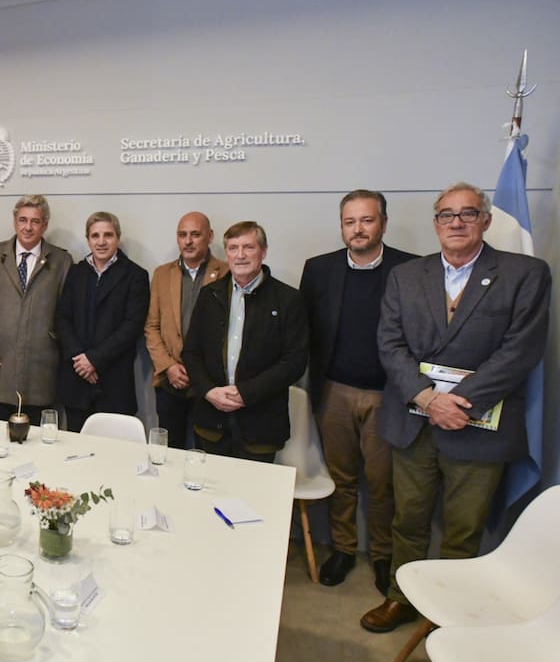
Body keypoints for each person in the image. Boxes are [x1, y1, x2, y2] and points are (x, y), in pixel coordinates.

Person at [361, 182, 551, 633]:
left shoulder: (524, 274)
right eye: (446, 214)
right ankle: (402, 597)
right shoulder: (407, 276)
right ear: (436, 223)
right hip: (415, 421)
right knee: (409, 518)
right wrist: (429, 399)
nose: (457, 223)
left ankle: (447, 614)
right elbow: (390, 344)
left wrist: (459, 404)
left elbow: (520, 351)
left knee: (464, 527)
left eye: (468, 213)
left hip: (477, 422)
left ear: (486, 220)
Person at [300, 190, 417, 592]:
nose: (358, 229)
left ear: (383, 223)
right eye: (350, 222)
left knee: (383, 483)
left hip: (389, 396)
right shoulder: (319, 269)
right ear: (342, 227)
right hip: (334, 391)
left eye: (367, 220)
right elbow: (306, 330)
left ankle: (383, 556)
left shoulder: (411, 269)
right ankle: (344, 549)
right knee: (342, 479)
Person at [182, 221, 308, 462]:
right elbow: (191, 352)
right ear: (226, 253)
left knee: (254, 487)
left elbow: (294, 362)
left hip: (261, 425)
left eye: (248, 247)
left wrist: (246, 393)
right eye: (233, 248)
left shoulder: (288, 300)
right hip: (211, 420)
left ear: (264, 251)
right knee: (209, 485)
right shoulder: (210, 295)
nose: (240, 255)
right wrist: (208, 391)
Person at [0, 194, 73, 425]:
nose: (28, 227)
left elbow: (66, 313)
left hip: (41, 367)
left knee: (38, 438)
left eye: (35, 221)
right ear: (14, 221)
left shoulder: (61, 260)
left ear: (44, 225)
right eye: (23, 220)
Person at [55, 211, 149, 432]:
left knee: (113, 450)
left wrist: (94, 359)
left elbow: (132, 326)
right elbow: (62, 318)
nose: (101, 241)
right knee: (75, 447)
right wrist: (81, 359)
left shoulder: (135, 275)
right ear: (88, 239)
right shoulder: (76, 272)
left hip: (114, 382)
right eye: (95, 235)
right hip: (77, 379)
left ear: (118, 238)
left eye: (108, 235)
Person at [144, 212, 229, 448]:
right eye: (182, 235)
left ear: (209, 236)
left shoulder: (227, 273)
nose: (188, 241)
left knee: (207, 452)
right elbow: (152, 326)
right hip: (170, 382)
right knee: (170, 451)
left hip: (210, 383)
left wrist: (199, 372)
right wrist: (169, 366)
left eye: (195, 234)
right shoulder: (162, 274)